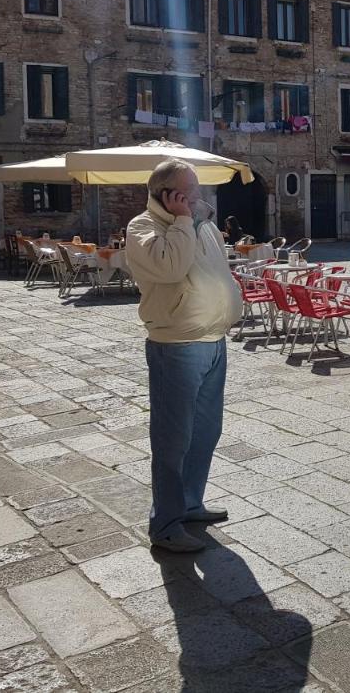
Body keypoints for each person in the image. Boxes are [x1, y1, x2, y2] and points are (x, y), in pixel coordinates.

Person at [125, 160, 241, 554]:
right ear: (166, 194)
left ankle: (191, 502)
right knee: (173, 438)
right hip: (175, 346)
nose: (197, 196)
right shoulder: (143, 228)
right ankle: (167, 523)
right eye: (187, 191)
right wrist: (179, 221)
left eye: (196, 188)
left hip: (213, 341)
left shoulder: (203, 223)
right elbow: (171, 268)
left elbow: (217, 271)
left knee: (206, 432)